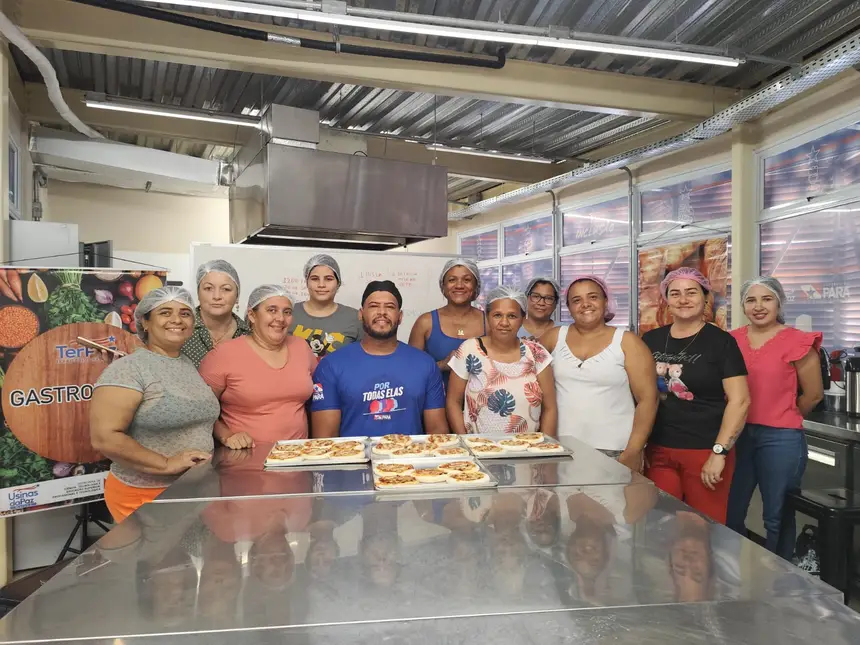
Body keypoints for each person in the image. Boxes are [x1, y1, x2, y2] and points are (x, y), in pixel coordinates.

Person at [90, 287, 217, 523]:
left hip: (190, 490)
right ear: (145, 322)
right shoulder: (129, 369)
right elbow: (104, 438)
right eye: (165, 312)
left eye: (185, 314)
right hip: (145, 494)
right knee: (158, 551)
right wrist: (166, 464)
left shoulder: (187, 364)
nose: (176, 320)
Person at [641, 267, 750, 524]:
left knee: (702, 530)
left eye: (691, 292)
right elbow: (640, 394)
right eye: (675, 293)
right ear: (666, 300)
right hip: (658, 451)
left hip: (704, 451)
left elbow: (740, 401)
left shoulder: (721, 342)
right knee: (660, 528)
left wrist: (719, 452)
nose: (683, 299)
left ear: (706, 297)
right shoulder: (651, 340)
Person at [727, 276, 823, 558]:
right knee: (730, 510)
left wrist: (783, 415)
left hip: (780, 438)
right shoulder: (730, 340)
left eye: (767, 299)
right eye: (751, 300)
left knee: (776, 515)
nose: (758, 306)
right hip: (736, 435)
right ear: (743, 305)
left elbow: (813, 395)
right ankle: (729, 571)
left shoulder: (798, 341)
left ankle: (779, 575)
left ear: (779, 303)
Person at [541, 276, 657, 471]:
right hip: (561, 449)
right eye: (576, 300)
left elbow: (648, 400)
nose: (585, 304)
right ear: (568, 307)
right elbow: (529, 381)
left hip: (616, 451)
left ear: (605, 301)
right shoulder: (553, 338)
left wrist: (633, 451)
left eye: (593, 297)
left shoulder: (628, 342)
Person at [311, 280, 448, 438]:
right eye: (374, 306)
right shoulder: (331, 366)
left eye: (389, 307)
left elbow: (437, 432)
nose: (382, 312)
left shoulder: (425, 364)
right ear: (361, 314)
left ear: (400, 316)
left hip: (409, 453)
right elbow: (325, 439)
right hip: (353, 454)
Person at [199, 285, 316, 447]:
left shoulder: (301, 347)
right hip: (245, 455)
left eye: (287, 312)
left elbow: (320, 394)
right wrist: (226, 435)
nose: (280, 318)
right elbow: (200, 408)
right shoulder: (224, 354)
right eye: (272, 310)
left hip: (297, 454)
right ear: (252, 315)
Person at [446, 286, 557, 436]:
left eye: (512, 316)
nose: (504, 322)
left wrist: (546, 447)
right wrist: (466, 442)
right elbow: (453, 402)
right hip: (478, 447)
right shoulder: (469, 350)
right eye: (497, 315)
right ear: (487, 317)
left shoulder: (537, 353)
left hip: (528, 448)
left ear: (523, 319)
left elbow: (550, 408)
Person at [409, 258, 486, 386]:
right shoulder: (425, 323)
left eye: (467, 280)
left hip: (482, 398)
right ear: (443, 286)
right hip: (436, 398)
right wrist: (442, 365)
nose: (459, 285)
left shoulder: (489, 322)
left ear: (475, 286)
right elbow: (410, 370)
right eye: (452, 280)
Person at [290, 254, 361, 359]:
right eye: (315, 279)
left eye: (328, 279)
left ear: (338, 283)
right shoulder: (288, 313)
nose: (321, 285)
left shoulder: (355, 318)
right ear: (307, 282)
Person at [182, 259, 250, 369]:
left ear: (237, 296)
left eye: (226, 289)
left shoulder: (249, 335)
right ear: (198, 294)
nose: (217, 296)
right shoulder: (181, 328)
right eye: (208, 288)